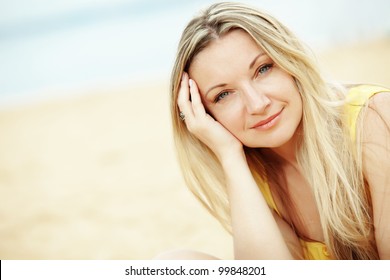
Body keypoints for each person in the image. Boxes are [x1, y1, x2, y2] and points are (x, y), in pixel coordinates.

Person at [166, 2, 390, 259]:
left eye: (263, 69)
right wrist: (230, 157)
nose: (258, 104)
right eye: (224, 95)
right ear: (205, 114)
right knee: (174, 263)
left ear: (289, 61)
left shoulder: (375, 117)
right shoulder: (254, 174)